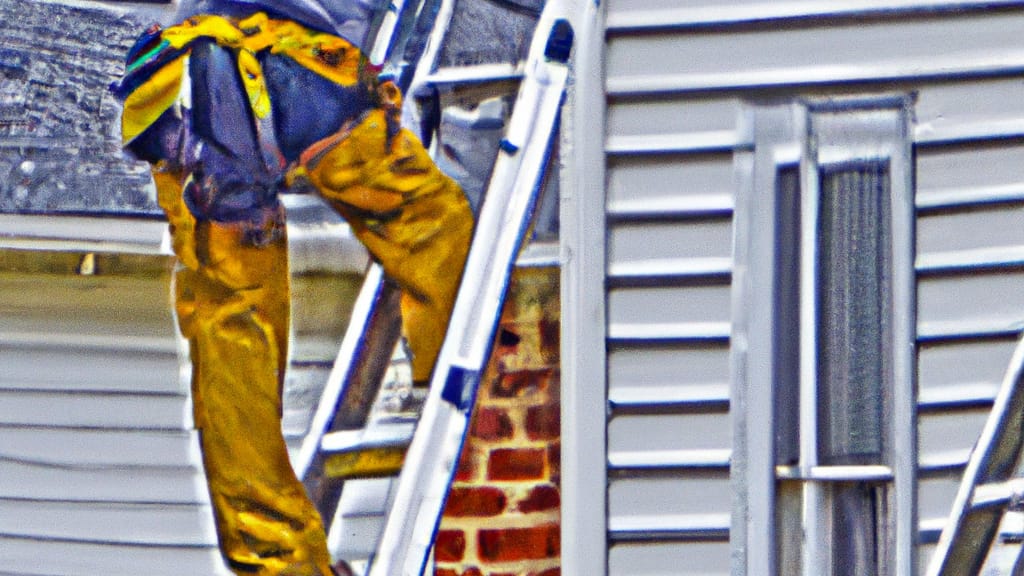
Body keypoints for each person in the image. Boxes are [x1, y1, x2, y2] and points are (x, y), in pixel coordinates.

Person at [112, 1, 474, 574]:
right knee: (433, 229)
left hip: (190, 85)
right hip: (300, 69)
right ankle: (466, 401)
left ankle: (279, 559)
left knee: (231, 329)